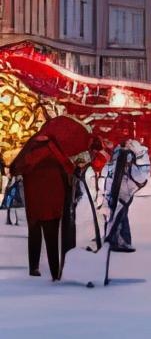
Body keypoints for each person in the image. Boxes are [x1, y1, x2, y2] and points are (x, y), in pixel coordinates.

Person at [13, 116, 95, 281]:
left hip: (34, 203)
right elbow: (69, 170)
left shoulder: (29, 149)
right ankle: (55, 272)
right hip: (53, 204)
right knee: (52, 239)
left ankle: (34, 268)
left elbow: (15, 168)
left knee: (34, 235)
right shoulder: (55, 150)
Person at [103, 137, 151, 253]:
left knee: (119, 212)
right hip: (122, 187)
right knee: (119, 212)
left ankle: (119, 240)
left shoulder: (128, 152)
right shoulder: (124, 152)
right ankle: (118, 239)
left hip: (123, 188)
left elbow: (140, 176)